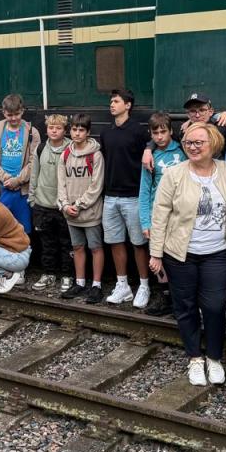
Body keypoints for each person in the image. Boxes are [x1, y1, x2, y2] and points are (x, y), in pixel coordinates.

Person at [148, 121, 226, 387]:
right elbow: (160, 215)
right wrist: (156, 253)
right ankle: (195, 357)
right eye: (188, 143)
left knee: (215, 306)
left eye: (198, 142)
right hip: (180, 254)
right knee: (184, 306)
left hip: (217, 252)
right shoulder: (174, 174)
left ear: (213, 143)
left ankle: (214, 357)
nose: (192, 147)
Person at [100, 89, 152, 307]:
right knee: (115, 242)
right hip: (110, 197)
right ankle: (123, 286)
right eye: (111, 101)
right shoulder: (106, 132)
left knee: (139, 244)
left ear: (128, 105)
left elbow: (153, 144)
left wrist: (149, 148)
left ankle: (144, 286)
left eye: (116, 101)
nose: (112, 104)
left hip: (133, 197)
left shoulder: (138, 131)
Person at [138, 111, 185, 316]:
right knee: (158, 259)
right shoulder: (150, 157)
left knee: (178, 260)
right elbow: (144, 191)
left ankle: (179, 300)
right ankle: (166, 297)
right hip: (157, 216)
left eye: (163, 132)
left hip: (180, 216)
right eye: (155, 133)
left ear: (171, 131)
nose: (159, 136)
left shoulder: (183, 151)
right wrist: (145, 221)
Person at [57, 114, 105, 303]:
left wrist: (78, 205)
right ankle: (79, 282)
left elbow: (96, 186)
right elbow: (61, 183)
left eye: (81, 130)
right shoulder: (65, 154)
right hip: (71, 214)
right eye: (74, 129)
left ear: (88, 132)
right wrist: (65, 205)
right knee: (77, 247)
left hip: (90, 213)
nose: (77, 133)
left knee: (95, 248)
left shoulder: (96, 155)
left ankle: (96, 285)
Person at [29, 113, 74, 293]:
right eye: (51, 127)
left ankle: (67, 275)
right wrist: (33, 199)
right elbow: (34, 174)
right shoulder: (40, 148)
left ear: (65, 130)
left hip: (63, 206)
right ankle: (49, 274)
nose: (54, 131)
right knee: (47, 244)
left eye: (58, 128)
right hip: (42, 205)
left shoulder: (71, 148)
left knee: (66, 243)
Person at [0, 94, 41, 234]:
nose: (14, 118)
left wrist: (17, 180)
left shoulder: (32, 132)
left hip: (22, 190)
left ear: (22, 111)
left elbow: (34, 162)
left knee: (22, 230)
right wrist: (6, 178)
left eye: (17, 114)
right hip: (0, 188)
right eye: (9, 115)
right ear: (3, 112)